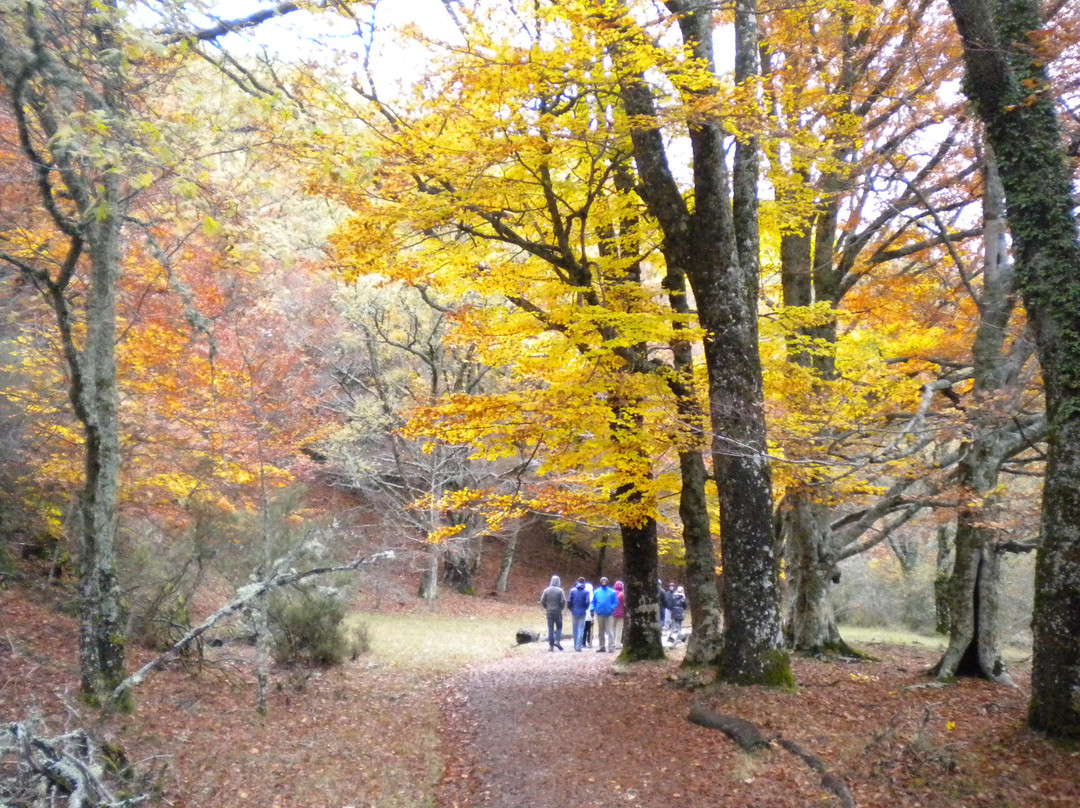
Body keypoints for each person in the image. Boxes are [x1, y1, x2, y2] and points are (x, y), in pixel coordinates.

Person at [538, 575, 566, 651]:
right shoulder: (560, 591)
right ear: (558, 582)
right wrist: (561, 607)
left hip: (549, 611)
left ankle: (551, 646)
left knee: (550, 628)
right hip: (558, 611)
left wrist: (546, 607)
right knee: (559, 627)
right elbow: (563, 601)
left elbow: (542, 601)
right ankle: (557, 641)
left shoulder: (546, 590)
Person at [591, 576, 618, 652]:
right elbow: (593, 602)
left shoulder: (612, 592)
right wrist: (593, 609)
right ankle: (602, 646)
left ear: (607, 582)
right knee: (601, 632)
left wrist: (611, 608)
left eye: (605, 581)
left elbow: (615, 602)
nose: (604, 582)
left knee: (610, 632)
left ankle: (611, 647)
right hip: (599, 614)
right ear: (600, 582)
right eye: (602, 581)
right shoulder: (596, 592)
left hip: (609, 615)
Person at [567, 577, 592, 651]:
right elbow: (587, 602)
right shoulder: (586, 592)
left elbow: (569, 601)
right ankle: (578, 646)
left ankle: (575, 645)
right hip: (582, 612)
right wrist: (585, 608)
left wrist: (571, 609)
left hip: (574, 612)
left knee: (575, 629)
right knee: (581, 629)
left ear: (577, 582)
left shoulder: (572, 591)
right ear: (584, 583)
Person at [612, 580, 626, 648]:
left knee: (612, 628)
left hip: (612, 613)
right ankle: (617, 643)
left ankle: (612, 643)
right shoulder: (622, 594)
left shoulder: (611, 593)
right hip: (620, 613)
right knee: (619, 629)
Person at [582, 580, 595, 647]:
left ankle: (583, 642)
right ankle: (589, 641)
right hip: (590, 615)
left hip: (584, 615)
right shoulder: (592, 596)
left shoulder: (583, 594)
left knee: (584, 629)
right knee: (590, 629)